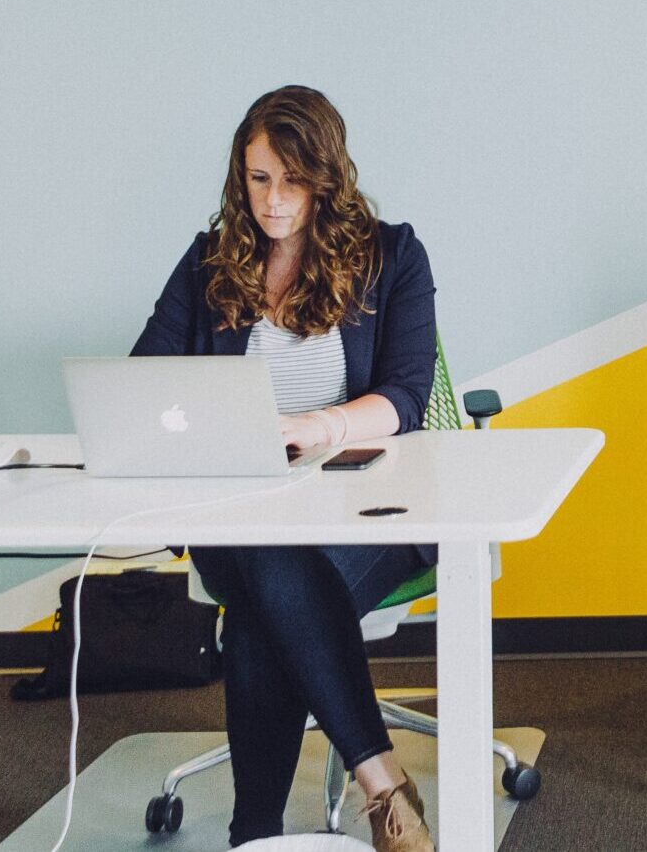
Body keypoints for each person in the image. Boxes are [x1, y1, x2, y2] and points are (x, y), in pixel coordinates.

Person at [130, 85, 439, 851]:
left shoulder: (392, 255)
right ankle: (385, 788)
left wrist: (318, 426)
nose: (272, 201)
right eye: (258, 178)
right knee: (268, 550)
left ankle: (254, 833)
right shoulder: (212, 263)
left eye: (292, 181)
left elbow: (404, 393)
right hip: (240, 511)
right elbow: (146, 376)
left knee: (268, 590)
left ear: (326, 179)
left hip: (367, 508)